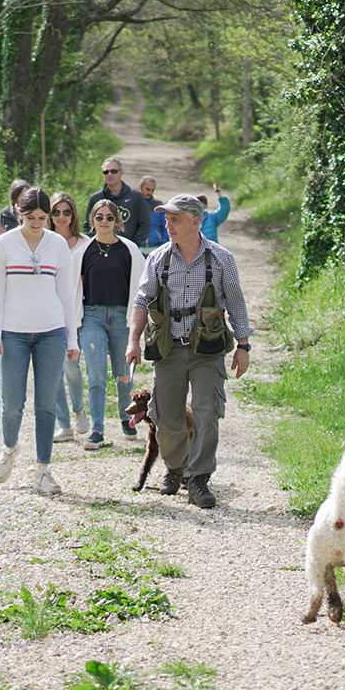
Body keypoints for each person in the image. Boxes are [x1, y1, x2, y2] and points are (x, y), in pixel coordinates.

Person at [125, 193, 253, 509]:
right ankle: (175, 467)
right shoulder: (157, 259)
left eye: (175, 219)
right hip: (168, 349)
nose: (167, 224)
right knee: (166, 417)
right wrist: (133, 341)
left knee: (207, 412)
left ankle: (198, 479)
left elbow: (235, 302)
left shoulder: (222, 258)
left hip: (207, 350)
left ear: (195, 221)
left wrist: (243, 345)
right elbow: (142, 301)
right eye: (166, 219)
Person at [0, 186, 81, 496]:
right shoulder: (4, 244)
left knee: (46, 403)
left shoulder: (56, 246)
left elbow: (66, 293)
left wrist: (72, 336)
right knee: (13, 403)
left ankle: (43, 469)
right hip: (13, 333)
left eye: (44, 217)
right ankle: (10, 448)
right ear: (19, 214)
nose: (38, 223)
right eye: (31, 218)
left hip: (50, 332)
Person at [76, 199, 144, 447]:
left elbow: (139, 287)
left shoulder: (129, 250)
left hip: (121, 317)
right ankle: (97, 429)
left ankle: (128, 420)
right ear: (92, 220)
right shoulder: (84, 251)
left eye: (109, 217)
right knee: (95, 375)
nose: (104, 221)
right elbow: (74, 285)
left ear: (117, 221)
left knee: (123, 374)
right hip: (92, 315)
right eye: (99, 217)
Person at [47, 192, 90, 442]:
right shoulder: (44, 243)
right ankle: (64, 424)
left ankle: (79, 410)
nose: (61, 217)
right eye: (56, 212)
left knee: (72, 368)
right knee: (53, 371)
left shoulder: (85, 244)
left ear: (73, 214)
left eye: (66, 211)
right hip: (49, 316)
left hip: (79, 314)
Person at [86, 157, 149, 246]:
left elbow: (144, 225)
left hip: (128, 250)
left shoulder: (136, 197)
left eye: (114, 171)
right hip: (101, 249)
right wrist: (97, 244)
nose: (110, 174)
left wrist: (132, 245)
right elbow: (88, 225)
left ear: (121, 172)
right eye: (106, 172)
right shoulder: (95, 198)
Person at [139, 176, 168, 249]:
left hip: (155, 247)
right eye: (147, 189)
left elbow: (165, 227)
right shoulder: (134, 204)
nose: (149, 192)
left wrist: (163, 247)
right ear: (140, 187)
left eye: (152, 190)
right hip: (137, 247)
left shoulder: (159, 207)